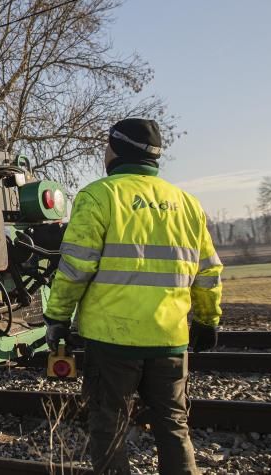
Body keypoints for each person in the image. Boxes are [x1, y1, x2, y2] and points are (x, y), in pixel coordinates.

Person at [43, 118, 223, 475]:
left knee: (108, 427)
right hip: (170, 340)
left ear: (118, 150)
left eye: (107, 145)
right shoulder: (187, 203)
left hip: (111, 341)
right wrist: (207, 320)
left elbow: (76, 268)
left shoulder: (99, 196)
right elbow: (208, 271)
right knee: (173, 426)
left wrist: (58, 318)